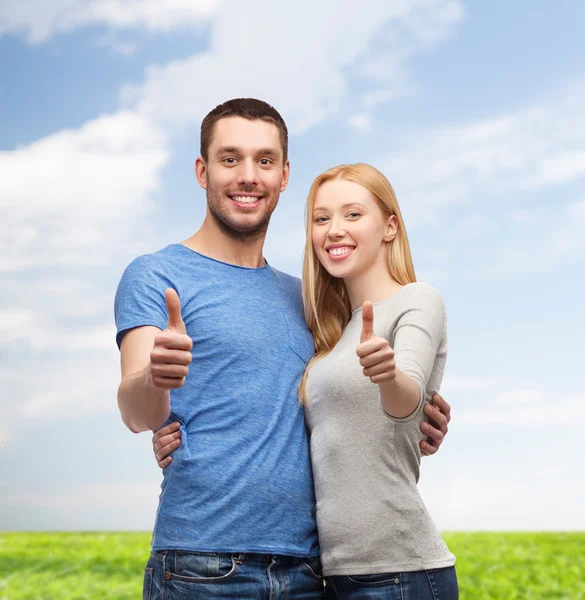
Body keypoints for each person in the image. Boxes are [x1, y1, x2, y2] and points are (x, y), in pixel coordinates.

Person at [116, 98, 451, 600]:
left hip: (309, 572)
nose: (248, 175)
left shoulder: (313, 300)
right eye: (230, 159)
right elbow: (137, 411)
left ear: (284, 175)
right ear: (202, 171)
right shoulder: (156, 274)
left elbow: (352, 394)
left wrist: (421, 410)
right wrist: (154, 379)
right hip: (202, 565)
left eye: (264, 161)